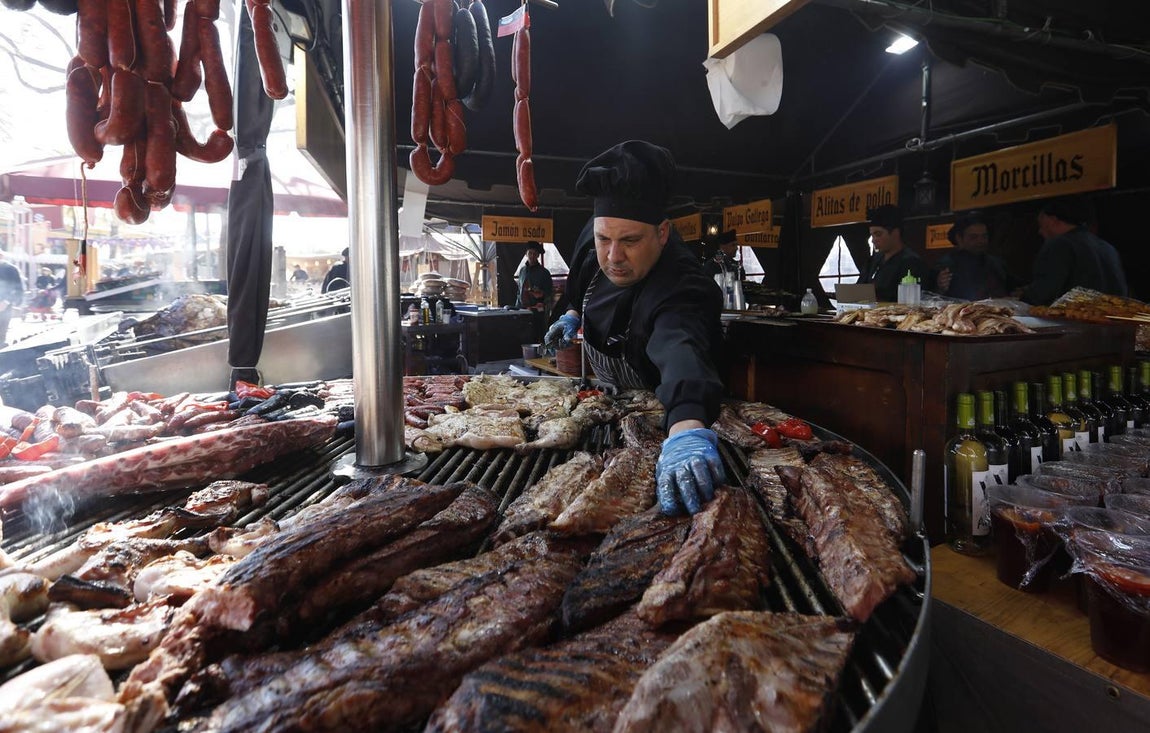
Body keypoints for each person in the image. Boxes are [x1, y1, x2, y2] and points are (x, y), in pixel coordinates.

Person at [543, 140, 726, 516]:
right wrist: (572, 314)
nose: (614, 257)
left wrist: (686, 426)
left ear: (662, 233)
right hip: (609, 404)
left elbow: (681, 347)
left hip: (662, 411)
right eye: (604, 239)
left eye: (630, 241)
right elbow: (580, 280)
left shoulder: (681, 283)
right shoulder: (595, 238)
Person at [1020, 196, 1127, 306]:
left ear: (1053, 220)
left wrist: (1022, 301)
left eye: (1041, 225)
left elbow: (1043, 292)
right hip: (1113, 314)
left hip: (1074, 314)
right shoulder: (1107, 247)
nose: (1040, 231)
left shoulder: (1059, 244)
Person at [929, 212, 1019, 300]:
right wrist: (940, 288)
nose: (980, 241)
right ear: (959, 239)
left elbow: (1014, 288)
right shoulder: (946, 264)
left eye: (984, 236)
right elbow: (934, 296)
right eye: (973, 237)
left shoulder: (996, 263)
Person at [857, 204, 928, 302]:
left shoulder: (911, 262)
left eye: (878, 234)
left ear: (895, 233)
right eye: (872, 236)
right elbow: (858, 289)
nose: (874, 240)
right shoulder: (873, 261)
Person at [516, 241, 554, 342]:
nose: (532, 256)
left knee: (538, 337)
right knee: (524, 338)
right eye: (530, 253)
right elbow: (519, 291)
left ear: (538, 255)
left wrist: (542, 296)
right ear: (526, 254)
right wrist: (517, 309)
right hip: (523, 311)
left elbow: (550, 293)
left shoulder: (544, 273)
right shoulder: (522, 271)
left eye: (534, 253)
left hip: (538, 313)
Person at [0, 252, 25, 347]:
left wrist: (6, 302)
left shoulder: (11, 269)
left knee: (1, 334)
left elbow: (18, 289)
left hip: (4, 305)